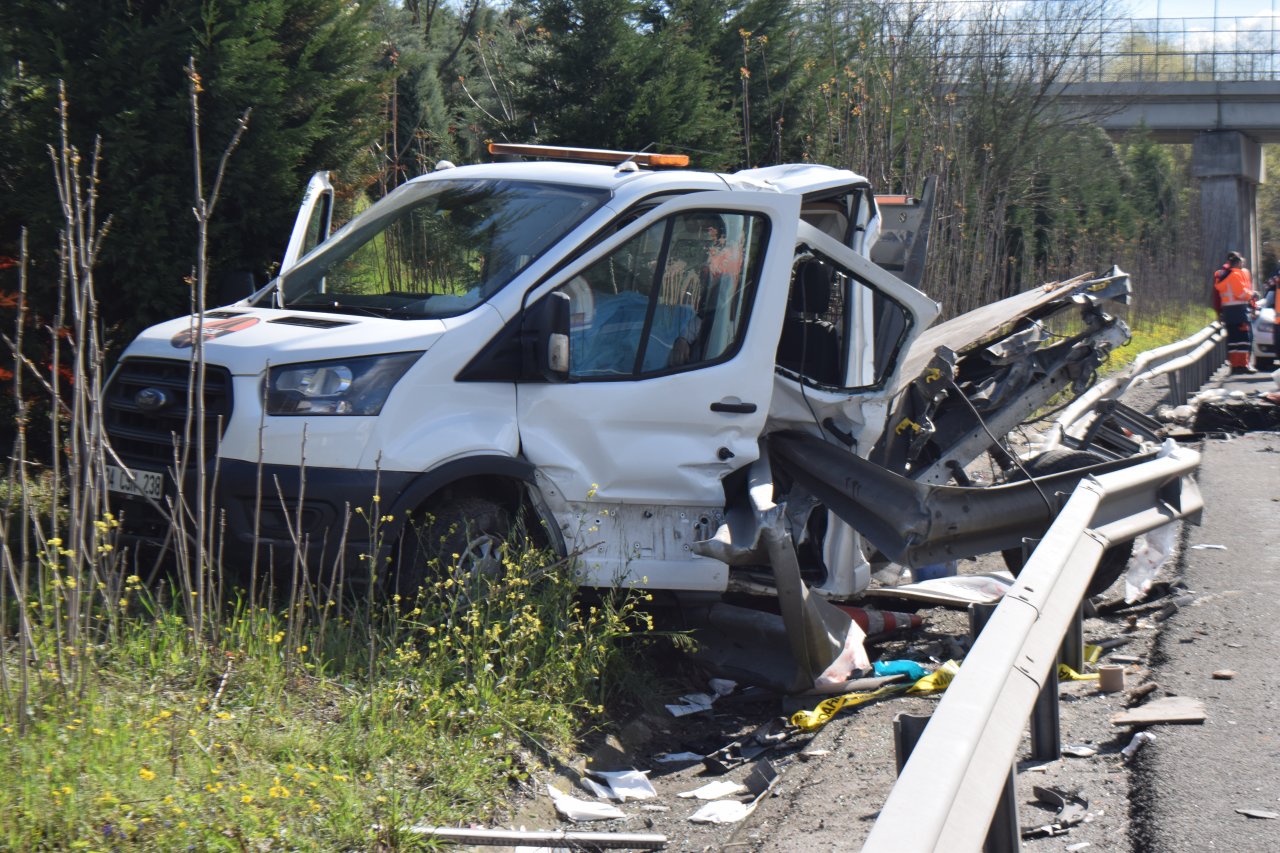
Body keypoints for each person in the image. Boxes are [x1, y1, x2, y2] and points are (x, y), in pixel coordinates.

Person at [1212, 250, 1257, 374]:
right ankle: (1242, 365)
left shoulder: (1221, 275)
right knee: (1243, 339)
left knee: (1233, 340)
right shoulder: (1236, 274)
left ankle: (1234, 365)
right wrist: (1252, 294)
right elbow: (1241, 294)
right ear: (1237, 263)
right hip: (1239, 311)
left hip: (1228, 312)